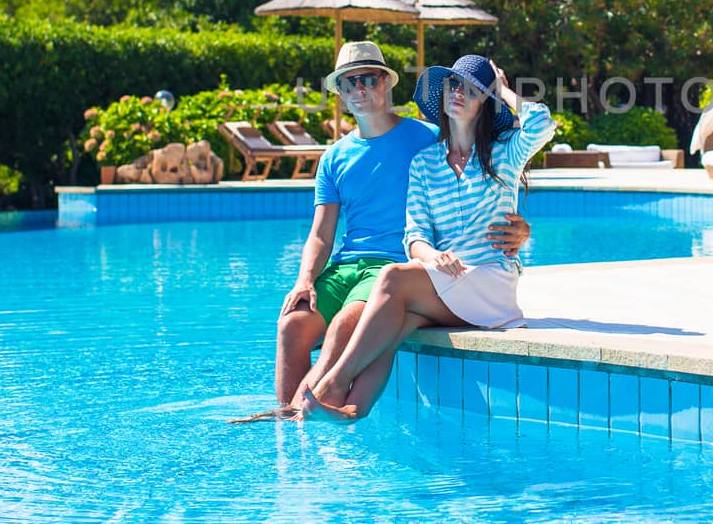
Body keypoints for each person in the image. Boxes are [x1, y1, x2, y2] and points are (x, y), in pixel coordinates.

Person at [231, 42, 529, 422]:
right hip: (346, 267)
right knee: (292, 324)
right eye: (349, 82)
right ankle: (293, 428)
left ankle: (300, 412)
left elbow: (484, 172)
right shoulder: (334, 157)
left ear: (387, 84)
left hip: (396, 265)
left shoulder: (427, 139)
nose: (360, 89)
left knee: (344, 325)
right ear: (339, 93)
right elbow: (321, 235)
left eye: (369, 78)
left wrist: (521, 228)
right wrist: (304, 280)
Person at [300, 55, 556, 420]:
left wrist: (502, 89)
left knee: (391, 278)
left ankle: (331, 385)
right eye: (453, 85)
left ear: (485, 101)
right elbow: (415, 235)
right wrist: (432, 257)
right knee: (397, 323)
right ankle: (354, 409)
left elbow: (542, 124)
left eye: (472, 89)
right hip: (446, 279)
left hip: (490, 280)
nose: (458, 93)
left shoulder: (504, 153)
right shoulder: (424, 162)